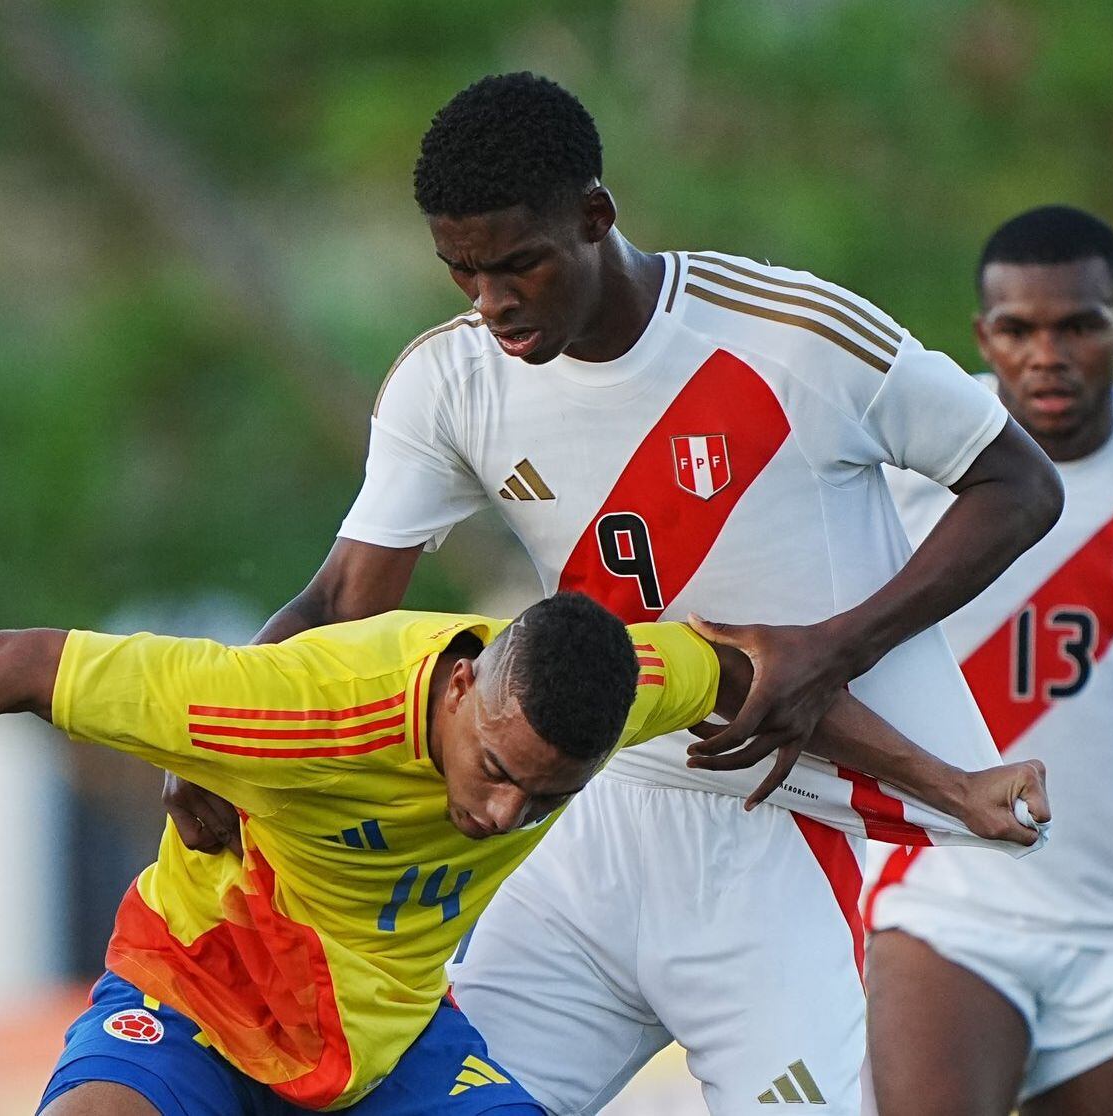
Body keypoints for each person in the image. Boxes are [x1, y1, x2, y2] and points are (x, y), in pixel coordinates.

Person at [162, 73, 1065, 1115]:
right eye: (461, 272)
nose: (490, 302)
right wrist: (215, 746)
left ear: (596, 217)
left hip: (787, 838)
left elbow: (1020, 485)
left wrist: (839, 646)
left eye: (517, 265)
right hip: (588, 822)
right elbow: (338, 601)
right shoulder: (449, 382)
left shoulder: (791, 336)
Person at [0, 594, 1046, 1116]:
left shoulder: (614, 685)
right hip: (200, 1007)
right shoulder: (295, 708)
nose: (502, 813)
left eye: (543, 796)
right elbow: (8, 661)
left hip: (388, 1055)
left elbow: (764, 672)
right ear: (459, 694)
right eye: (494, 772)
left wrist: (953, 784)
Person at [866, 205, 1113, 1116]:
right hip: (945, 900)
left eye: (1079, 325)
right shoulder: (909, 459)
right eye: (1019, 329)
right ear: (983, 337)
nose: (1048, 353)